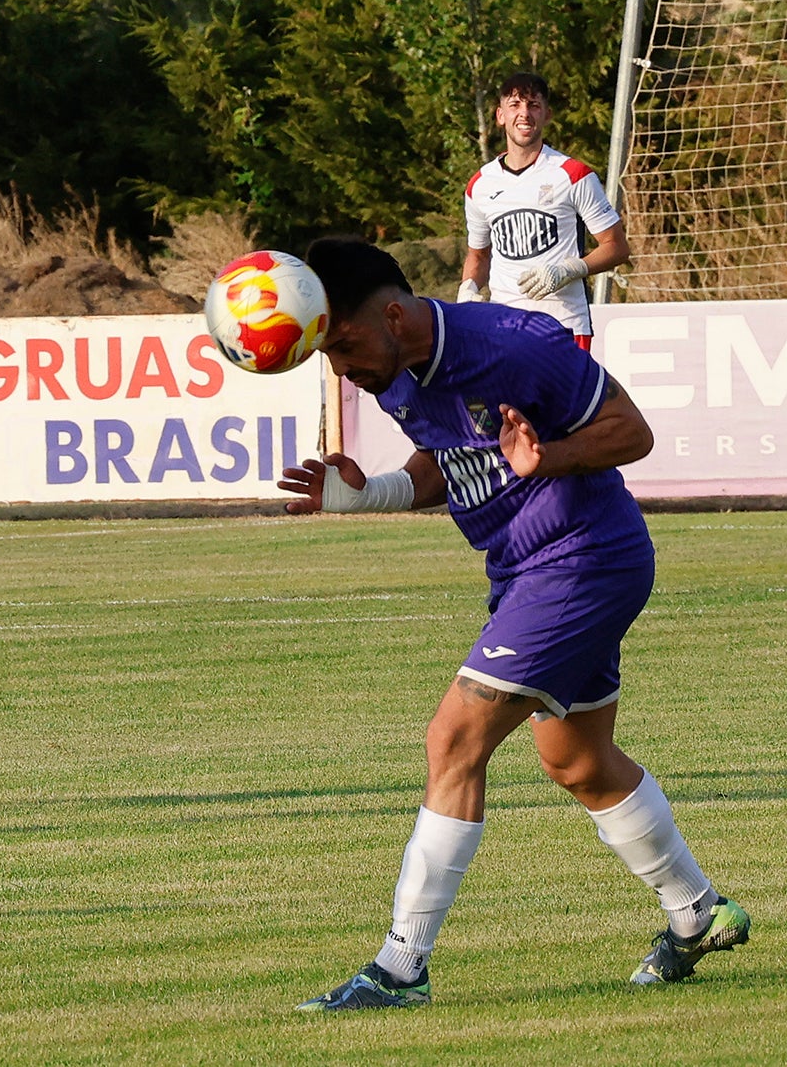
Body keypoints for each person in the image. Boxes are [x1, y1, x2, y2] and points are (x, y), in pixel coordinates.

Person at [281, 238, 748, 1010]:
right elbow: (453, 459)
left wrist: (553, 456)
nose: (341, 370)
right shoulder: (392, 369)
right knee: (579, 763)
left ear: (394, 316)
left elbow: (633, 431)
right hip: (526, 571)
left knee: (453, 739)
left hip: (585, 556)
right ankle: (698, 915)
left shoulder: (512, 346)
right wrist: (375, 495)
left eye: (345, 345)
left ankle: (402, 970)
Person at [459, 71, 629, 348]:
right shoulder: (479, 185)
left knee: (566, 393)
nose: (524, 114)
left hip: (563, 325)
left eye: (533, 105)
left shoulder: (574, 174)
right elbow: (478, 257)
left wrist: (570, 269)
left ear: (547, 115)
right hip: (503, 328)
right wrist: (468, 290)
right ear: (500, 115)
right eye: (515, 105)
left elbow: (617, 247)